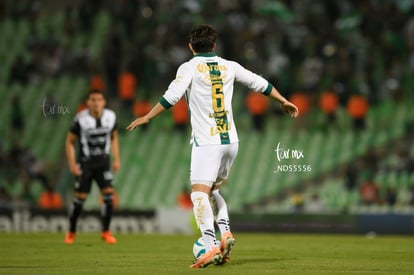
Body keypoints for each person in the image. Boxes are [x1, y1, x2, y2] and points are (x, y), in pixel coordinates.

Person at [126, 25, 298, 268]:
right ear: (214, 46)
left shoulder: (188, 68)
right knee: (213, 192)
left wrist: (147, 117)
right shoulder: (230, 65)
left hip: (207, 142)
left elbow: (172, 96)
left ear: (190, 46)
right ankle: (225, 232)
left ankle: (209, 246)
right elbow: (260, 84)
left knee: (198, 194)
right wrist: (283, 100)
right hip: (231, 141)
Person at [64, 89, 121, 244]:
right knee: (80, 198)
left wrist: (117, 158)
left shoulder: (111, 117)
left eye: (99, 99)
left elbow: (114, 137)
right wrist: (72, 164)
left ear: (104, 102)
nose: (96, 102)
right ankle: (71, 231)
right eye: (93, 99)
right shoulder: (80, 119)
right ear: (88, 102)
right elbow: (69, 141)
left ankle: (106, 231)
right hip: (86, 164)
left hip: (103, 163)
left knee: (109, 195)